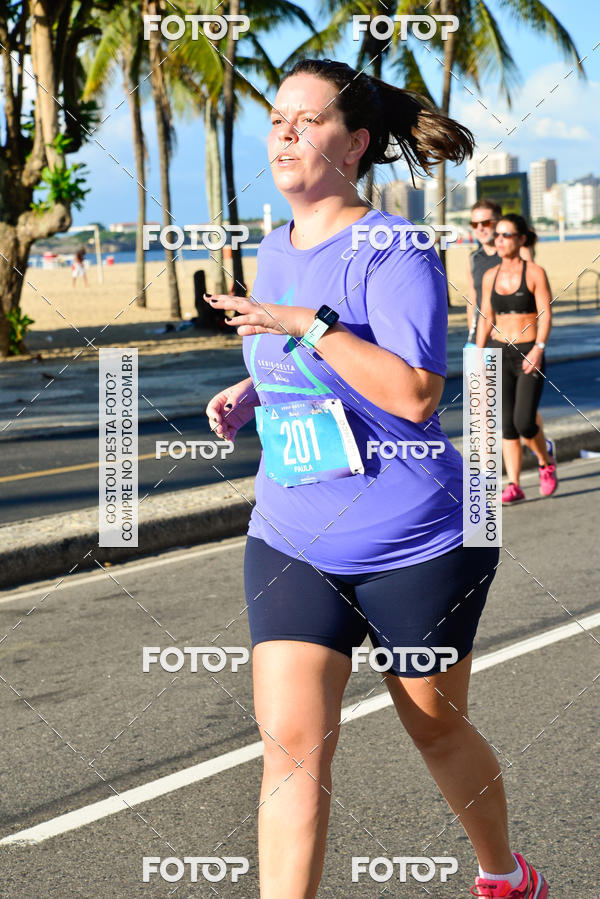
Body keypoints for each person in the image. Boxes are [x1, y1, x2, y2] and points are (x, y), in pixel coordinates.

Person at [205, 59, 548, 899]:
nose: (285, 131)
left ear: (354, 145)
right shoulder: (274, 246)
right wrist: (257, 386)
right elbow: (305, 356)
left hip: (418, 540)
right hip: (292, 534)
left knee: (434, 730)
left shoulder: (395, 247)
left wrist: (304, 324)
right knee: (290, 747)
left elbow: (416, 392)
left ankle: (505, 873)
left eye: (307, 119)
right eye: (278, 117)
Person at [476, 214, 558, 503]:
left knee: (524, 421)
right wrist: (479, 351)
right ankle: (514, 484)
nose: (499, 240)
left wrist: (539, 347)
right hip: (500, 351)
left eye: (506, 235)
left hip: (528, 352)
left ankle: (546, 462)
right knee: (507, 425)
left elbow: (545, 312)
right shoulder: (490, 276)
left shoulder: (534, 272)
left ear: (521, 239)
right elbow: (486, 316)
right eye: (496, 235)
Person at [466, 201, 550, 456]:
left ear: (498, 222)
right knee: (488, 413)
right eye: (475, 224)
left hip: (519, 342)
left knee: (523, 413)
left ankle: (541, 447)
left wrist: (537, 344)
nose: (481, 229)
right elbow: (474, 299)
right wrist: (474, 340)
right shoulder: (475, 257)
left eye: (486, 223)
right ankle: (496, 478)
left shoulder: (517, 254)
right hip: (482, 338)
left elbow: (530, 299)